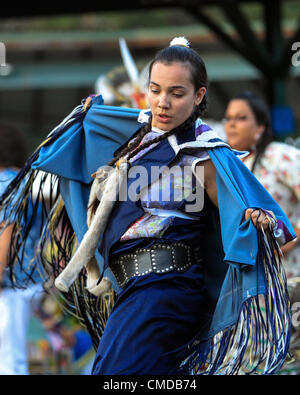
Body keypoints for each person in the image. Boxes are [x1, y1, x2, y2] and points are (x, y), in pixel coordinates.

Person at [0, 38, 296, 375]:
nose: (163, 102)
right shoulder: (134, 142)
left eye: (177, 93)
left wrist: (255, 219)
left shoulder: (206, 154)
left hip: (168, 290)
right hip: (132, 290)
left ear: (199, 96)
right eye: (155, 90)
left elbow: (256, 217)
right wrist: (88, 117)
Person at [224, 92, 300, 280]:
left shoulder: (280, 155)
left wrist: (292, 239)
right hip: (247, 280)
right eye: (228, 118)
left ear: (260, 126)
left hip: (288, 275)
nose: (232, 124)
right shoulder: (226, 164)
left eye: (241, 118)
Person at [0, 122, 44, 375]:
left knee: (10, 362)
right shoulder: (26, 179)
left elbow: (7, 228)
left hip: (9, 283)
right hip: (27, 279)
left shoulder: (5, 181)